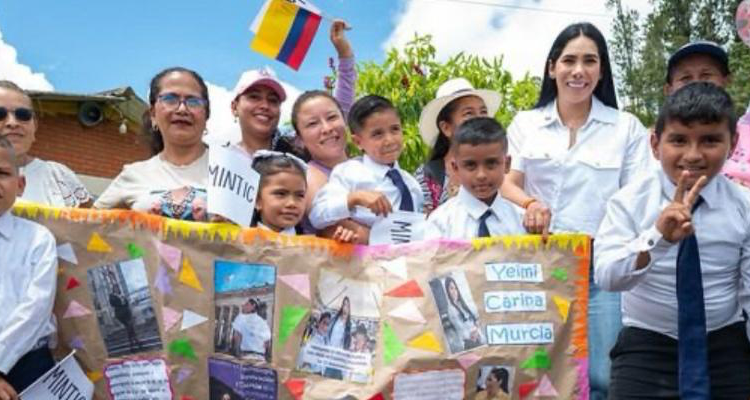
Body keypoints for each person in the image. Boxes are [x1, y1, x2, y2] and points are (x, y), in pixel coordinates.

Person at [499, 22, 652, 398]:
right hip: (538, 264)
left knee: (603, 375)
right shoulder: (526, 123)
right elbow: (507, 181)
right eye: (569, 60)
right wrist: (530, 203)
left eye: (589, 61)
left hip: (600, 266)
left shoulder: (626, 128)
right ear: (552, 68)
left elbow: (638, 197)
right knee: (539, 371)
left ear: (601, 71)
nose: (578, 70)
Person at [595, 82, 750, 398]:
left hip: (723, 343)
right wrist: (657, 238)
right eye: (678, 140)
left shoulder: (744, 206)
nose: (693, 155)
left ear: (733, 143)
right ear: (655, 144)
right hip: (647, 344)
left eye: (710, 140)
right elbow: (608, 277)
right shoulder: (628, 202)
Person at [95, 67, 210, 221]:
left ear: (206, 115)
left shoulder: (230, 171)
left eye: (193, 101)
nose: (182, 109)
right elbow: (86, 226)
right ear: (153, 115)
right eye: (170, 99)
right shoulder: (134, 174)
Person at [232, 20, 356, 160]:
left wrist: (345, 53)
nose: (265, 105)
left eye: (273, 100)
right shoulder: (222, 158)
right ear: (234, 107)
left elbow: (339, 110)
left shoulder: (297, 148)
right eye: (254, 97)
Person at [309, 95, 423, 234]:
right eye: (377, 134)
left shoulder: (411, 184)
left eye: (395, 129)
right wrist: (354, 198)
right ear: (358, 142)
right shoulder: (349, 172)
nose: (390, 140)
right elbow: (317, 215)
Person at [0, 136, 58, 397]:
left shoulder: (38, 239)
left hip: (29, 364)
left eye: (2, 173)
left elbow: (36, 307)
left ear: (20, 184)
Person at [425, 117, 524, 240]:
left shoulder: (522, 221)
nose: (481, 175)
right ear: (456, 168)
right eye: (470, 165)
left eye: (491, 163)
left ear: (507, 164)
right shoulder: (440, 222)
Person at [0, 80, 92, 207]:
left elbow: (92, 218)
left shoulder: (58, 175)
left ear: (35, 127)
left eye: (23, 114)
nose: (13, 123)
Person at [415, 78, 500, 213]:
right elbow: (422, 221)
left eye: (483, 112)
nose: (479, 120)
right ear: (446, 128)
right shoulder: (428, 176)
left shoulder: (500, 166)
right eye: (468, 114)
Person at [251, 150, 356, 242]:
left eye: (300, 195)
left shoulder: (315, 245)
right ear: (257, 200)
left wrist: (341, 244)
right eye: (281, 194)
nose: (292, 203)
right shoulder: (243, 243)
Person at [444, 276, 483, 352]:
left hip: (477, 337)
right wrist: (473, 333)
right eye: (451, 288)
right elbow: (461, 330)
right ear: (447, 291)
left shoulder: (462, 304)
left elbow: (474, 318)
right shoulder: (451, 310)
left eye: (456, 288)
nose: (454, 291)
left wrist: (477, 327)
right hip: (468, 342)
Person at [108, 284, 140, 351]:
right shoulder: (112, 296)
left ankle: (133, 344)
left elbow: (126, 303)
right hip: (120, 314)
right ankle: (136, 341)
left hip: (127, 312)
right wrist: (121, 302)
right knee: (129, 326)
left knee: (129, 327)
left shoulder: (121, 295)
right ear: (113, 289)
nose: (117, 289)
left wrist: (124, 300)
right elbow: (112, 304)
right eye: (115, 288)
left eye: (117, 288)